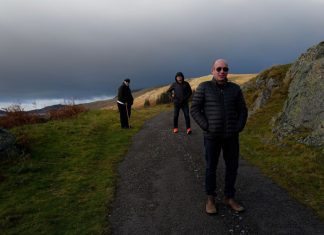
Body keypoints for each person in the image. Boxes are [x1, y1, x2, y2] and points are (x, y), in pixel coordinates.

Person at [190, 59, 248, 214]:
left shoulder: (235, 89)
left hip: (231, 136)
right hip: (212, 137)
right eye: (219, 69)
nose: (222, 71)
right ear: (212, 70)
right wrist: (206, 126)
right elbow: (194, 109)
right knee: (211, 168)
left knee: (232, 167)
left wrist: (239, 126)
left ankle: (229, 197)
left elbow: (243, 110)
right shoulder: (204, 87)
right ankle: (210, 198)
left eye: (225, 69)